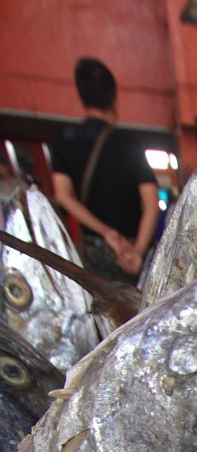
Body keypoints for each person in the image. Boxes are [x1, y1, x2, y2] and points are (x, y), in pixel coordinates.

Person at [51, 58, 159, 283]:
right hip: (131, 247)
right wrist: (137, 251)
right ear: (113, 96)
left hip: (94, 250)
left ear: (81, 96)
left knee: (98, 312)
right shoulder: (129, 144)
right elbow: (151, 204)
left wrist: (105, 232)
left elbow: (63, 195)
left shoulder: (65, 141)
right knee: (141, 311)